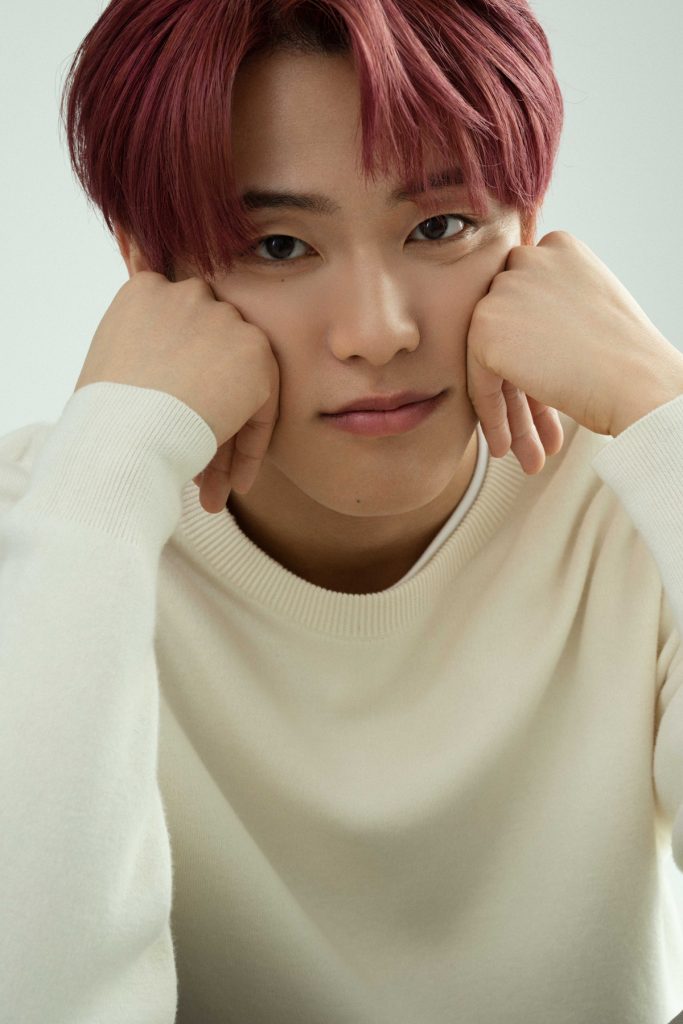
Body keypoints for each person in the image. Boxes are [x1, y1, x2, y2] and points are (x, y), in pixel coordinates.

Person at [1, 1, 682, 1022]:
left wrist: (667, 412)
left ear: (527, 227)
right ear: (146, 265)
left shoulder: (636, 495)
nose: (376, 331)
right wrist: (101, 493)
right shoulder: (50, 532)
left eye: (438, 227)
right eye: (277, 245)